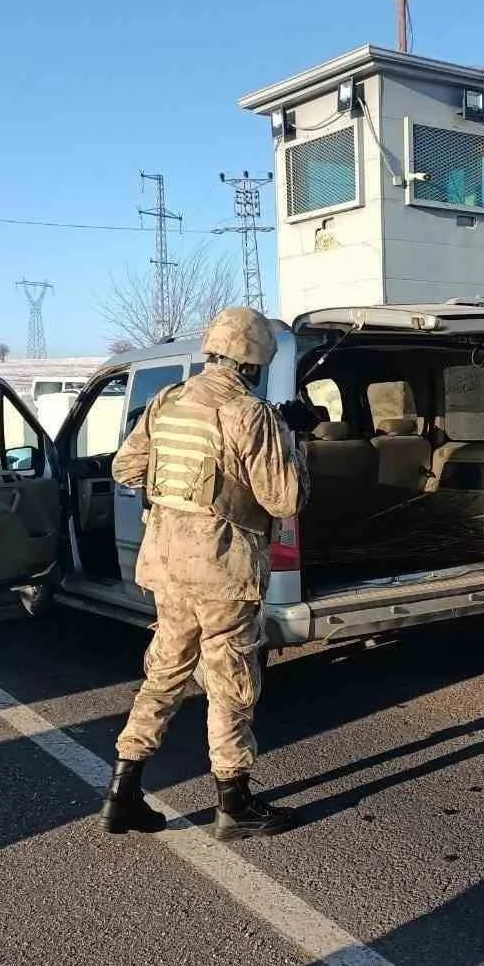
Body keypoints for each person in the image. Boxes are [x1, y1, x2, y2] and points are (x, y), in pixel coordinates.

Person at [99, 307, 309, 839]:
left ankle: (122, 793)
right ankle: (234, 803)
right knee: (230, 681)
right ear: (255, 363)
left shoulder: (167, 402)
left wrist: (176, 496)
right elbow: (284, 498)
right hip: (222, 571)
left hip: (167, 567)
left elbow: (126, 468)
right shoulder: (250, 413)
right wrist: (291, 440)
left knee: (164, 673)